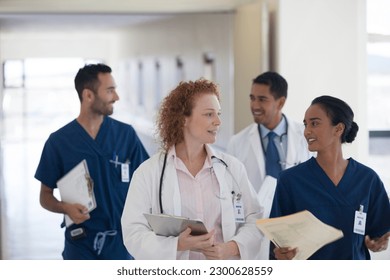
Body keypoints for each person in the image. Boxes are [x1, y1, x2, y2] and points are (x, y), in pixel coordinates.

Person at [121, 79, 263, 260]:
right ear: (183, 119)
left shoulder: (232, 168)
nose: (218, 121)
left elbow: (255, 219)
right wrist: (177, 245)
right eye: (209, 114)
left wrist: (232, 247)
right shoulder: (148, 173)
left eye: (218, 114)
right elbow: (133, 233)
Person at [34, 63, 149, 259]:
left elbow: (149, 184)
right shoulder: (59, 142)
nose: (117, 97)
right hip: (80, 245)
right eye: (110, 90)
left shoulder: (126, 135)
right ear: (88, 95)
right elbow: (45, 196)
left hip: (121, 245)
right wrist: (65, 208)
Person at [270, 95, 390, 260]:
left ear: (338, 129)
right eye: (306, 124)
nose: (306, 131)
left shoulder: (367, 180)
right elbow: (276, 246)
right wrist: (280, 254)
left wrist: (379, 243)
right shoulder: (290, 181)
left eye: (315, 123)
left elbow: (380, 235)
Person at [226, 71, 311, 259]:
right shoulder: (237, 143)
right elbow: (232, 194)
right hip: (256, 230)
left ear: (280, 102)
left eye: (262, 99)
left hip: (296, 228)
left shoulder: (305, 138)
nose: (254, 105)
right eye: (252, 98)